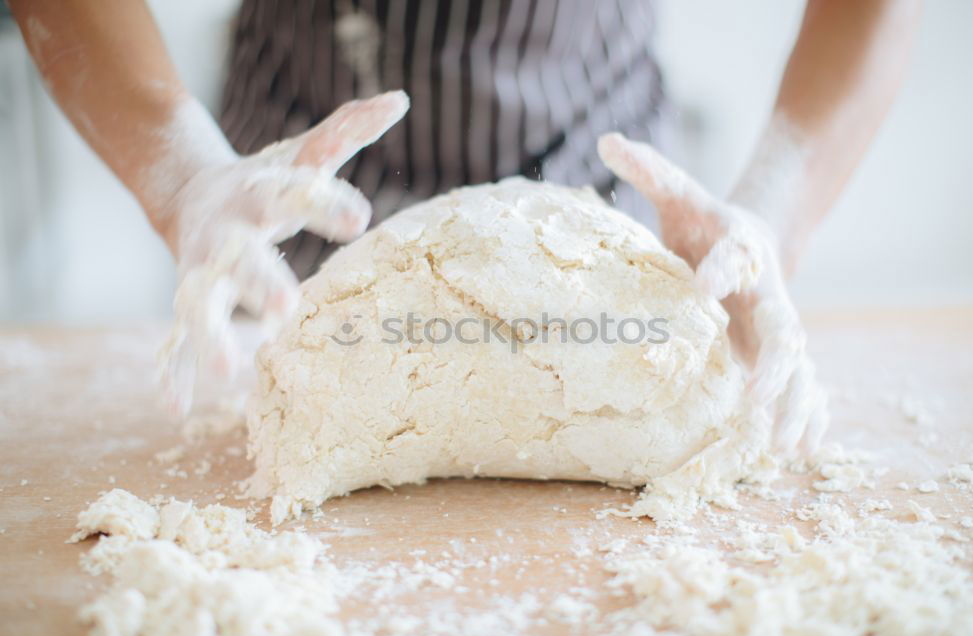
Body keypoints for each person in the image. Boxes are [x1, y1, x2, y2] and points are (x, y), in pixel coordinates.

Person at [9, 0, 920, 449]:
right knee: (285, 416)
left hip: (597, 199)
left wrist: (767, 215)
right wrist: (185, 181)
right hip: (290, 200)